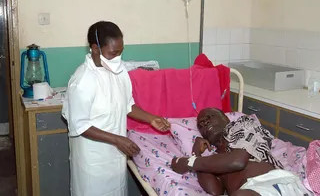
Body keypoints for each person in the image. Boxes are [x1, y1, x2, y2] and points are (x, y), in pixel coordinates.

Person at [62, 21, 170, 196]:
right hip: (93, 161)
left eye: (121, 52)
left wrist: (151, 118)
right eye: (113, 53)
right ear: (95, 48)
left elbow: (127, 105)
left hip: (115, 158)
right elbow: (80, 126)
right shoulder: (83, 81)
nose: (118, 58)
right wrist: (119, 140)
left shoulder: (120, 72)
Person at [171, 108, 310, 196]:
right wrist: (196, 153)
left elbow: (238, 161)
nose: (205, 123)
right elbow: (215, 190)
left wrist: (189, 162)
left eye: (209, 118)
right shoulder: (212, 160)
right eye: (201, 125)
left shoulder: (243, 127)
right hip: (250, 191)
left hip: (276, 184)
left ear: (225, 119)